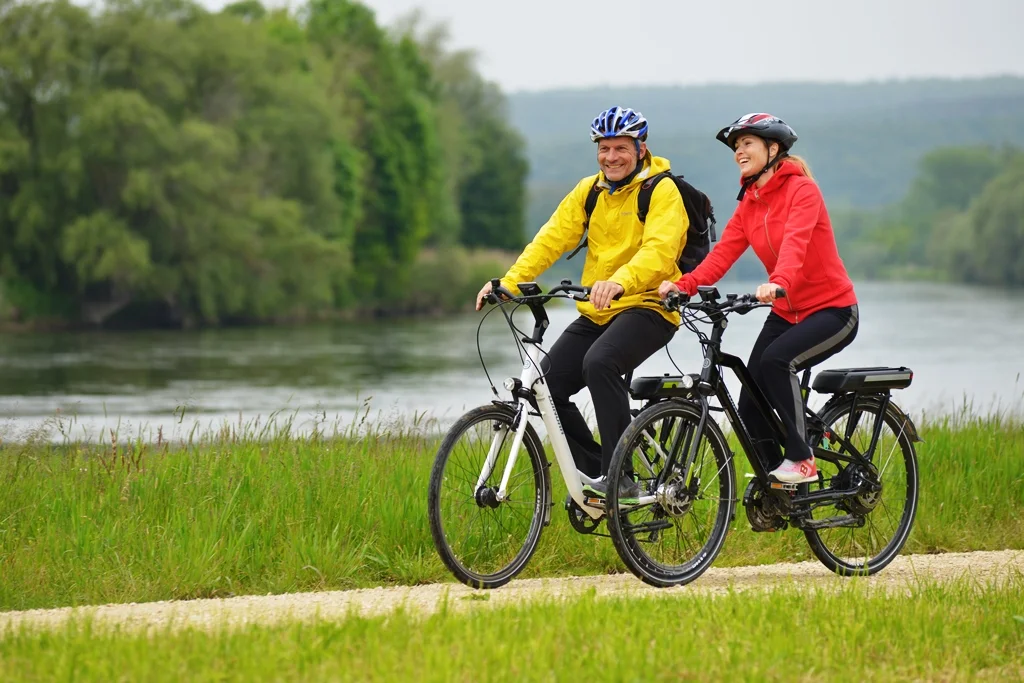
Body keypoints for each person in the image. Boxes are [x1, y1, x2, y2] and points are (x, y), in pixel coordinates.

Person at [475, 106, 686, 501]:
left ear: (641, 150)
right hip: (599, 309)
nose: (611, 157)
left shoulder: (661, 190)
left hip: (649, 307)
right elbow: (551, 238)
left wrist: (620, 281)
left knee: (600, 362)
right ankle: (597, 476)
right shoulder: (589, 191)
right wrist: (510, 282)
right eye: (604, 148)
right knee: (548, 387)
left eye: (621, 148)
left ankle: (619, 475)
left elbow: (659, 251)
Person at [659, 113, 859, 484]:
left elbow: (796, 242)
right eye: (736, 146)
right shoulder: (750, 203)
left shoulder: (802, 191)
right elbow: (722, 255)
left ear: (773, 148)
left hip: (833, 310)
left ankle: (801, 459)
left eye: (747, 143)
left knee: (776, 361)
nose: (739, 151)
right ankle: (777, 487)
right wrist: (683, 285)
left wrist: (778, 282)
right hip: (786, 312)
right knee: (750, 403)